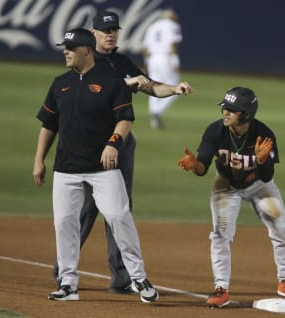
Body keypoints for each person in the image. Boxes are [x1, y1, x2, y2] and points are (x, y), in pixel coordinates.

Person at [51, 10, 192, 295]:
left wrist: (174, 89)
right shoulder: (85, 59)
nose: (111, 34)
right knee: (87, 209)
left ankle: (121, 276)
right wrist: (125, 84)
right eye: (105, 30)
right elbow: (84, 90)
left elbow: (150, 86)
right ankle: (63, 270)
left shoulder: (122, 61)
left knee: (120, 209)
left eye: (114, 29)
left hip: (121, 143)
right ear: (93, 34)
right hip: (87, 145)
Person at [33, 27, 159, 303]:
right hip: (66, 168)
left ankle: (138, 277)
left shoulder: (112, 81)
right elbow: (48, 125)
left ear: (87, 50)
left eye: (71, 47)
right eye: (65, 47)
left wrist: (113, 143)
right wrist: (39, 160)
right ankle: (67, 283)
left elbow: (125, 118)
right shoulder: (59, 83)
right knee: (64, 224)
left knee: (119, 217)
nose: (65, 52)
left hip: (103, 168)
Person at [177, 87, 285, 308]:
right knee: (221, 234)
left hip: (259, 186)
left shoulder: (264, 134)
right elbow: (203, 167)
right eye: (225, 107)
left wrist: (263, 161)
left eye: (231, 109)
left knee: (281, 227)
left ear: (245, 114)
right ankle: (221, 289)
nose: (225, 112)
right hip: (225, 185)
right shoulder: (215, 131)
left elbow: (267, 177)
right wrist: (194, 165)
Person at [142, 9, 183, 129]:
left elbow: (145, 47)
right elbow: (172, 43)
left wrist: (147, 63)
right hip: (166, 58)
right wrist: (176, 60)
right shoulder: (173, 25)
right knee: (176, 87)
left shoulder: (153, 26)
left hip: (153, 59)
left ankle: (154, 120)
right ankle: (157, 111)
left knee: (153, 86)